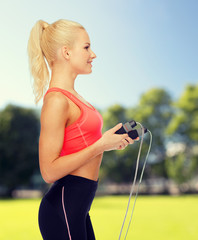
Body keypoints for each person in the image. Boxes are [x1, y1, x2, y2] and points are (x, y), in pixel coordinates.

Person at [27, 19, 135, 240]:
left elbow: (82, 144)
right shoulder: (57, 100)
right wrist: (100, 145)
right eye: (86, 47)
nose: (93, 54)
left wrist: (110, 143)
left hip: (78, 209)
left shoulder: (76, 98)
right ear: (66, 52)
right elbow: (48, 171)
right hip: (62, 210)